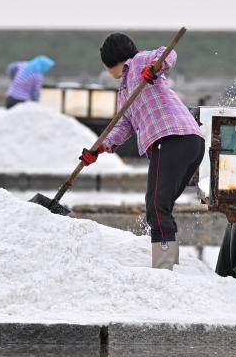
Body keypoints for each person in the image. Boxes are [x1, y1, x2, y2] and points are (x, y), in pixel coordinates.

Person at [79, 33, 204, 270]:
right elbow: (123, 125)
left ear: (109, 61)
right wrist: (99, 148)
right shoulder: (124, 91)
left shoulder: (138, 62)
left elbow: (168, 54)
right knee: (160, 206)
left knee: (156, 206)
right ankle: (168, 259)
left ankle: (165, 265)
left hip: (172, 138)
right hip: (187, 141)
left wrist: (155, 69)